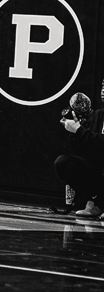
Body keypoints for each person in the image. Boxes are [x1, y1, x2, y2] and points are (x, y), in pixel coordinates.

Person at [56, 90, 104, 218]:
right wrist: (75, 131)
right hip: (99, 171)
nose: (103, 90)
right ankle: (96, 201)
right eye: (103, 86)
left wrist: (79, 130)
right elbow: (85, 149)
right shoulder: (98, 115)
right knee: (63, 162)